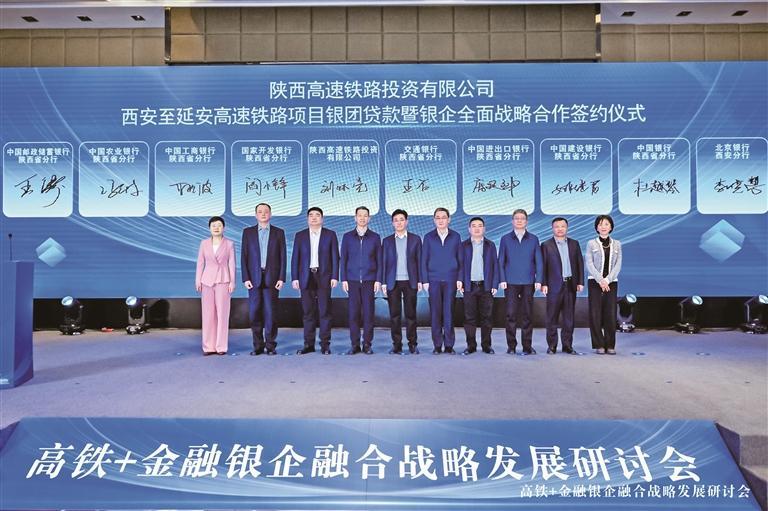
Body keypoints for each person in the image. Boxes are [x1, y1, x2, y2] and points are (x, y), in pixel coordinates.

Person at [291, 207, 339, 355]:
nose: (314, 218)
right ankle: (308, 345)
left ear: (322, 219)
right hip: (306, 277)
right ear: (307, 219)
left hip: (324, 276)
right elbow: (295, 258)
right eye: (311, 215)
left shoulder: (330, 235)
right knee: (308, 313)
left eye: (317, 215)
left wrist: (335, 276)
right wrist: (295, 278)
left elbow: (335, 257)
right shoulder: (300, 235)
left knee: (325, 312)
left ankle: (325, 345)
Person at [241, 203, 286, 356]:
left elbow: (283, 256)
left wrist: (281, 278)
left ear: (270, 214)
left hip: (272, 278)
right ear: (256, 215)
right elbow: (244, 256)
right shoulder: (248, 232)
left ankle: (271, 346)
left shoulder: (279, 232)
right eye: (260, 212)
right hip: (253, 279)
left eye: (266, 211)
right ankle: (257, 346)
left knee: (271, 314)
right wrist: (245, 277)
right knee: (254, 313)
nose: (263, 214)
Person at [498, 209, 543, 355]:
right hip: (510, 282)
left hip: (528, 282)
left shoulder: (534, 239)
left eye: (522, 218)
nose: (519, 221)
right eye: (516, 218)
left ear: (526, 221)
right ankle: (511, 346)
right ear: (512, 221)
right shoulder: (505, 239)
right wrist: (502, 279)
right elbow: (501, 261)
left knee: (527, 315)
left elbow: (539, 261)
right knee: (510, 315)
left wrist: (539, 279)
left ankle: (527, 346)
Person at [421, 207, 463, 355]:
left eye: (443, 217)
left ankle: (449, 345)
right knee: (435, 313)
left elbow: (460, 259)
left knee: (449, 312)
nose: (440, 220)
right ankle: (437, 345)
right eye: (437, 218)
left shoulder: (456, 236)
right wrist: (425, 280)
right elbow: (423, 260)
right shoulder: (428, 237)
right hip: (433, 280)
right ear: (434, 220)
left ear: (449, 219)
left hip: (451, 279)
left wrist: (460, 278)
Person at [340, 206, 381, 355]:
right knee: (354, 314)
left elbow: (379, 260)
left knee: (369, 314)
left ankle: (367, 344)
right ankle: (355, 344)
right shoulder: (347, 237)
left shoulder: (375, 237)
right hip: (352, 280)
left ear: (369, 218)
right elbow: (343, 259)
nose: (362, 218)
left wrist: (378, 279)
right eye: (359, 215)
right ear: (355, 218)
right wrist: (343, 279)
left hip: (370, 280)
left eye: (365, 216)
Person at [380, 209, 422, 354]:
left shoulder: (415, 239)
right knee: (395, 316)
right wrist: (383, 282)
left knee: (411, 315)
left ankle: (412, 344)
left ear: (407, 221)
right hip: (393, 282)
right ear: (392, 223)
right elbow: (383, 262)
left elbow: (420, 261)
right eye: (396, 220)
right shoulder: (387, 241)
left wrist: (420, 280)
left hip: (410, 281)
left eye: (401, 219)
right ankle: (397, 345)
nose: (399, 222)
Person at [540, 217, 584, 354]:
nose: (560, 229)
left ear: (567, 228)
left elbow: (579, 263)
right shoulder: (546, 245)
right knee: (551, 317)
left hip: (570, 285)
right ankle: (552, 345)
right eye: (557, 226)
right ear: (552, 228)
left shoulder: (574, 244)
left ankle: (567, 345)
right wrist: (543, 283)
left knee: (569, 318)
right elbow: (543, 266)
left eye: (562, 226)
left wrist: (580, 282)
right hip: (553, 286)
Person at [195, 216, 235, 356]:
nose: (216, 228)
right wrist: (198, 280)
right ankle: (208, 347)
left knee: (222, 314)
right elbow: (200, 262)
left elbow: (232, 264)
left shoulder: (229, 244)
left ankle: (221, 346)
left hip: (223, 280)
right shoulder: (204, 243)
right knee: (208, 314)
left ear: (223, 228)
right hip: (206, 280)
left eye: (219, 225)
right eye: (213, 225)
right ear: (209, 228)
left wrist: (232, 281)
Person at [460, 217, 499, 355]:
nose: (477, 228)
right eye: (474, 226)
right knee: (469, 318)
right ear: (469, 229)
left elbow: (495, 265)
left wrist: (495, 284)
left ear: (484, 229)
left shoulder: (490, 245)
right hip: (469, 286)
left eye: (480, 225)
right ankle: (471, 346)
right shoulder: (463, 245)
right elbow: (460, 265)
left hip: (486, 286)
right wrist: (460, 281)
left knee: (486, 317)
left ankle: (486, 345)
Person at [585, 214, 622, 355]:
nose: (603, 227)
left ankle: (610, 344)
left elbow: (618, 264)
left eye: (606, 224)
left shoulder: (617, 244)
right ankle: (599, 344)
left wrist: (607, 280)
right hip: (594, 282)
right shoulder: (591, 243)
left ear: (611, 227)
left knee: (610, 313)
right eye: (600, 224)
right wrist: (600, 280)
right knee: (595, 313)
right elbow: (589, 263)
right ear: (596, 227)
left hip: (611, 283)